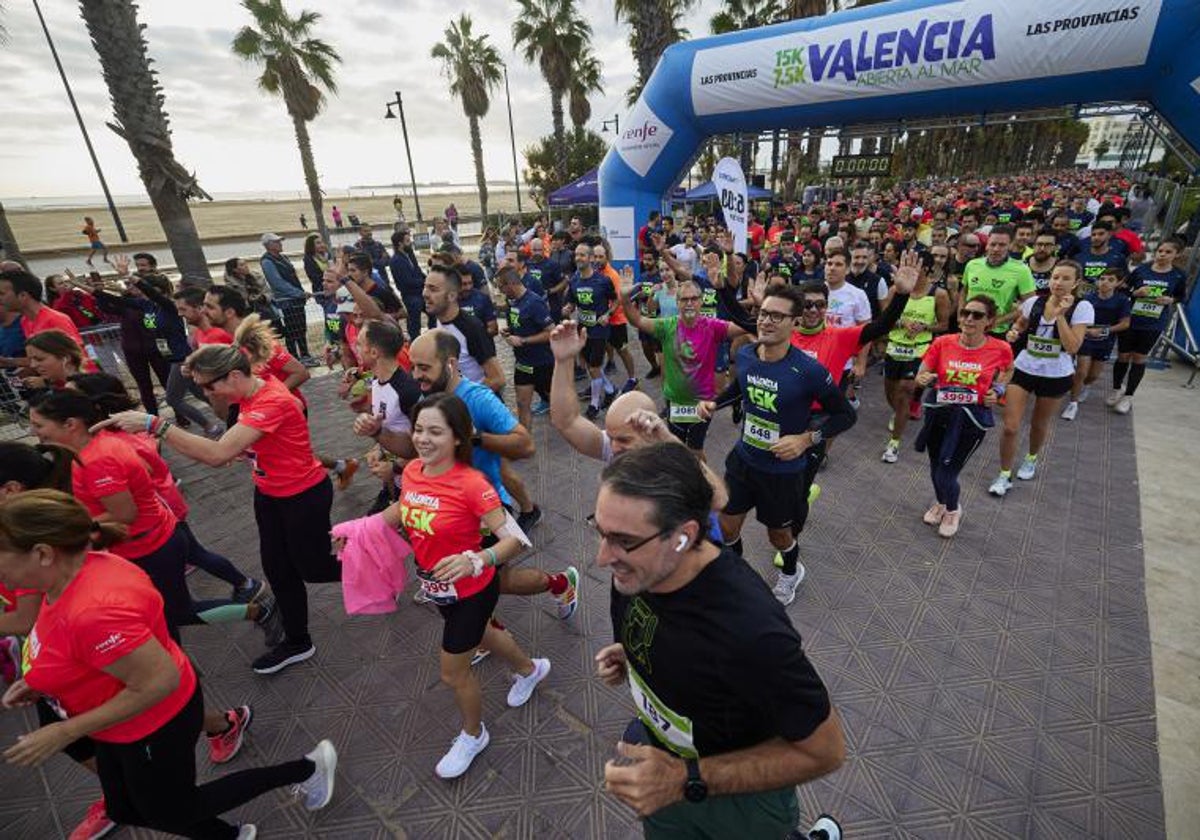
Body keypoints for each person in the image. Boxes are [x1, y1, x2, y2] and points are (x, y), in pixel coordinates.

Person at [0, 490, 338, 839]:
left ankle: (307, 768)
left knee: (175, 810)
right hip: (117, 725)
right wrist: (44, 682)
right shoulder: (68, 579)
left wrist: (65, 731)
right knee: (122, 808)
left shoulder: (92, 612)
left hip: (152, 725)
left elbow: (159, 680)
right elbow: (76, 651)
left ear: (42, 553)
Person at [592, 444, 844, 839]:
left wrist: (686, 779)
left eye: (624, 540)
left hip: (736, 797)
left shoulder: (751, 633)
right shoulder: (638, 571)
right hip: (664, 771)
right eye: (601, 532)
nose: (602, 557)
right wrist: (633, 653)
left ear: (683, 536)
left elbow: (825, 751)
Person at [95, 340, 343, 676]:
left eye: (210, 386)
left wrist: (155, 424)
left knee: (314, 569)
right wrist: (249, 450)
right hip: (270, 494)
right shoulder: (246, 393)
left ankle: (376, 555)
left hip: (302, 496)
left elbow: (216, 455)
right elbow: (242, 442)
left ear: (236, 375)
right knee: (278, 571)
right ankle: (298, 641)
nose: (208, 393)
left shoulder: (271, 399)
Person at [366, 394, 549, 778]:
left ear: (458, 438)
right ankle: (529, 669)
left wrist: (477, 559)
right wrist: (359, 532)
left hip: (474, 589)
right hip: (438, 588)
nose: (423, 439)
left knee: (453, 672)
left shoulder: (472, 484)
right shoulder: (414, 470)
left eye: (435, 431)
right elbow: (402, 509)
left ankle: (473, 734)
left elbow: (513, 540)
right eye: (418, 429)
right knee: (483, 634)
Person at [698, 285, 858, 605]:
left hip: (782, 472)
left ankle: (790, 573)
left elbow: (845, 416)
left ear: (794, 324)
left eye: (776, 316)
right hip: (743, 460)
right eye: (764, 314)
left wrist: (805, 439)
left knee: (779, 536)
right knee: (727, 528)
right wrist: (715, 403)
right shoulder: (746, 354)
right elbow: (740, 387)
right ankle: (735, 576)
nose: (766, 321)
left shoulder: (809, 371)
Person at [408, 330, 576, 614]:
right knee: (471, 583)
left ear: (450, 364)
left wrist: (475, 437)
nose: (415, 375)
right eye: (413, 367)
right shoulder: (428, 395)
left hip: (485, 508)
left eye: (424, 368)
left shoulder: (478, 398)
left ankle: (560, 583)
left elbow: (526, 444)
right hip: (446, 507)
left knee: (494, 581)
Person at [989, 261, 1092, 497]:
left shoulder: (1082, 307)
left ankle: (1031, 458)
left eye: (1066, 278)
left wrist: (1061, 316)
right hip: (1024, 368)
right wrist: (1014, 331)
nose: (1058, 283)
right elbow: (1021, 324)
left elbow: (1073, 346)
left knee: (1038, 424)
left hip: (1056, 374)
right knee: (1010, 426)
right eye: (1055, 277)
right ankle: (1004, 475)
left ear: (1076, 283)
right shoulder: (1034, 302)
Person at [620, 270, 749, 459]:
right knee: (677, 449)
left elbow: (744, 325)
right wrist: (624, 298)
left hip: (702, 403)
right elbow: (637, 320)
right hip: (674, 401)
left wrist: (730, 294)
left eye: (694, 299)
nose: (689, 303)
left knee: (695, 450)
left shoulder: (713, 327)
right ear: (677, 302)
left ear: (701, 301)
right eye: (684, 299)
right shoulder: (667, 326)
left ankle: (703, 481)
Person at [915, 296, 1014, 536]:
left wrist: (998, 390)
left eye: (977, 315)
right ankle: (940, 502)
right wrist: (923, 378)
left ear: (989, 321)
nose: (969, 318)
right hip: (939, 413)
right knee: (935, 466)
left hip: (971, 419)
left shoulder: (1000, 348)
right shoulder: (942, 342)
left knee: (947, 471)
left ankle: (952, 509)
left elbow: (1008, 369)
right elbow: (922, 372)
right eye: (965, 313)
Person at [880, 255, 951, 464]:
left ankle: (894, 443)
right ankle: (900, 413)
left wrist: (925, 327)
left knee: (905, 391)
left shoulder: (939, 294)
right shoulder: (896, 291)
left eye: (915, 267)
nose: (909, 271)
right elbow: (885, 322)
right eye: (905, 266)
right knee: (891, 393)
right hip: (895, 348)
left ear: (926, 270)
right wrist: (901, 322)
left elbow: (945, 324)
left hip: (919, 351)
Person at [1109, 237, 1188, 415]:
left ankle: (1128, 396)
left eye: (1168, 252)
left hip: (1153, 323)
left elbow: (1181, 296)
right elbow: (1123, 289)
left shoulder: (1178, 275)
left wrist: (1170, 299)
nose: (1162, 255)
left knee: (1139, 358)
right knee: (1123, 356)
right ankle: (1116, 389)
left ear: (1177, 255)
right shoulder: (1141, 270)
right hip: (1131, 319)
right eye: (1160, 251)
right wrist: (1135, 292)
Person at [1061, 267, 1131, 421]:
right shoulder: (1087, 298)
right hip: (1085, 340)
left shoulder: (1121, 300)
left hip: (1105, 342)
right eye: (1102, 278)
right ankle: (1073, 404)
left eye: (1110, 280)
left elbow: (1125, 323)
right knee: (1081, 372)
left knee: (1092, 376)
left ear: (1119, 283)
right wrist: (1084, 329)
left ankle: (1085, 386)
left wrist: (1105, 330)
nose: (1105, 282)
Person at [565, 242, 619, 420]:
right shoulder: (574, 280)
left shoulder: (603, 281)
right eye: (576, 255)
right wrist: (567, 308)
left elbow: (616, 300)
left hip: (599, 330)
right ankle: (610, 390)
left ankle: (595, 404)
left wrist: (608, 314)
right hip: (583, 330)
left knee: (594, 367)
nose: (578, 258)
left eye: (582, 255)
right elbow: (571, 303)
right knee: (589, 365)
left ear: (589, 258)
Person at [496, 266, 554, 429]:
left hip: (542, 363)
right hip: (523, 364)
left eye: (501, 287)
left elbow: (551, 332)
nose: (500, 291)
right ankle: (525, 440)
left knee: (556, 404)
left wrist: (523, 340)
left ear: (510, 284)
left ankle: (569, 434)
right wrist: (510, 331)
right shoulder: (512, 302)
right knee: (522, 404)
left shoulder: (535, 302)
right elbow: (520, 325)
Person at [958, 224, 1036, 338]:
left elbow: (1030, 304)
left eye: (1002, 245)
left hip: (997, 331)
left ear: (1010, 246)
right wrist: (961, 315)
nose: (996, 249)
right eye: (993, 244)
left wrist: (998, 320)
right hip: (969, 326)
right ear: (986, 245)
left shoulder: (1021, 270)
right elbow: (964, 292)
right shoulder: (972, 265)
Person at [258, 233, 312, 364]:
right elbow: (277, 283)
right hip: (287, 302)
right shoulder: (267, 261)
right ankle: (295, 358)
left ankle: (305, 355)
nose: (280, 244)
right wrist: (298, 293)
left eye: (279, 241)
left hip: (296, 301)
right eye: (277, 242)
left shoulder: (283, 257)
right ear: (268, 245)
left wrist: (299, 294)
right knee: (292, 331)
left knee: (301, 328)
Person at [389, 228, 427, 340]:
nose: (410, 242)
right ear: (400, 243)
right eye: (407, 241)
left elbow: (417, 270)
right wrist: (422, 282)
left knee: (433, 312)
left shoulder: (409, 254)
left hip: (420, 291)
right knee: (414, 322)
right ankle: (415, 341)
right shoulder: (396, 260)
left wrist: (426, 278)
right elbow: (406, 282)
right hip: (411, 295)